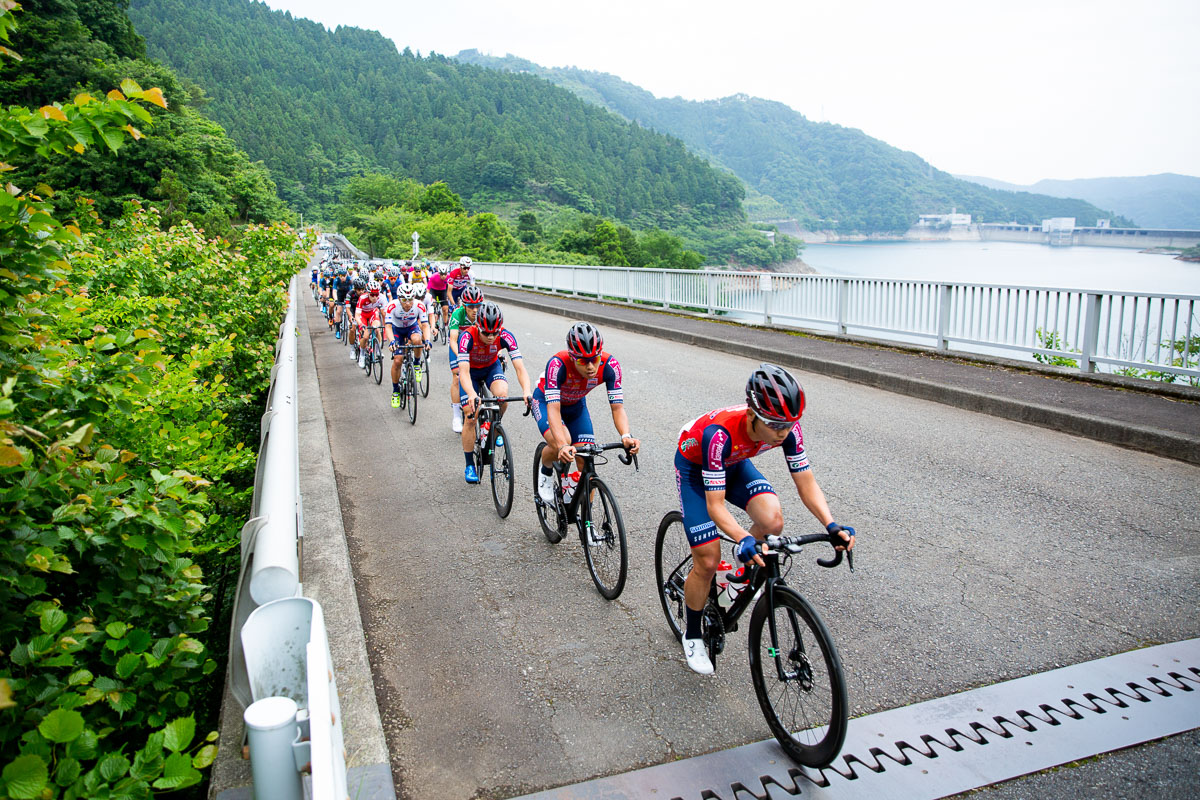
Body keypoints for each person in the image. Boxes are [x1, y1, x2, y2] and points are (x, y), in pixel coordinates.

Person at [672, 363, 855, 675]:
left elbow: (806, 482)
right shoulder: (718, 434)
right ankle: (692, 634)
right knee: (706, 560)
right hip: (696, 470)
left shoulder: (787, 429)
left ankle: (739, 572)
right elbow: (715, 506)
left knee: (772, 521)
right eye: (774, 424)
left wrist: (831, 525)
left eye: (789, 423)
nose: (782, 432)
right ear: (752, 413)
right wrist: (743, 536)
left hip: (734, 464)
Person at [531, 322, 640, 508]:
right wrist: (563, 445)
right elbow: (554, 410)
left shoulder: (610, 365)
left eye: (594, 359)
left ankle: (587, 526)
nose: (590, 367)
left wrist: (626, 436)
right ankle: (546, 470)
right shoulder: (557, 365)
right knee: (561, 442)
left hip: (575, 406)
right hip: (545, 403)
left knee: (585, 457)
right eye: (582, 361)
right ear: (573, 358)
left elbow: (617, 408)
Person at [456, 302, 532, 484]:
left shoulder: (506, 335)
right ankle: (469, 465)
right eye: (486, 333)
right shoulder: (467, 337)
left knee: (502, 395)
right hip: (471, 374)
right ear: (477, 327)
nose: (491, 337)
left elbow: (520, 368)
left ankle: (494, 425)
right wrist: (472, 394)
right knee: (471, 415)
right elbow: (464, 373)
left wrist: (527, 390)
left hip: (491, 367)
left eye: (494, 333)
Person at [385, 283, 430, 408]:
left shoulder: (419, 305)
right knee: (398, 360)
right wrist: (391, 341)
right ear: (399, 298)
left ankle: (416, 364)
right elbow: (388, 326)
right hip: (397, 329)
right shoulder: (392, 306)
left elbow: (425, 325)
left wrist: (427, 340)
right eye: (404, 300)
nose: (407, 303)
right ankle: (395, 391)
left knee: (417, 340)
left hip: (411, 327)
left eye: (410, 299)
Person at [446, 286, 483, 432]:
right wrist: (462, 356)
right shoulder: (457, 314)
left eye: (478, 306)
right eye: (471, 306)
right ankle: (456, 415)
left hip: (474, 344)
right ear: (464, 305)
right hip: (458, 345)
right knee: (457, 376)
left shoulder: (482, 314)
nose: (475, 310)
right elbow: (453, 340)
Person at [355, 280, 386, 369]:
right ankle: (362, 354)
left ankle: (377, 350)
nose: (375, 297)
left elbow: (386, 314)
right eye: (372, 295)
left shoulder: (382, 298)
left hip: (373, 312)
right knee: (365, 336)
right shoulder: (362, 298)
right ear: (368, 293)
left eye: (376, 294)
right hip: (363, 315)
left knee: (377, 328)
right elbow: (357, 315)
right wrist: (361, 324)